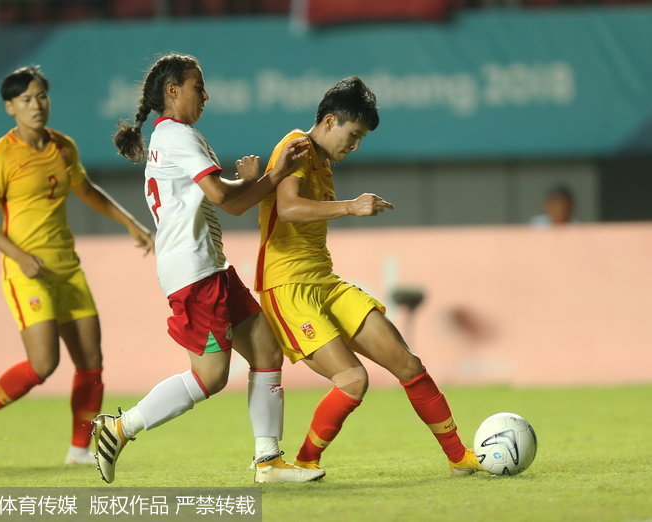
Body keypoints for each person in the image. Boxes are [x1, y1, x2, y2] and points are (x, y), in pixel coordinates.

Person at [91, 53, 323, 484]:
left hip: (211, 267)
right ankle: (120, 427)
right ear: (172, 91)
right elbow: (222, 196)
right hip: (194, 272)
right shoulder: (178, 136)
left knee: (267, 351)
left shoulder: (173, 137)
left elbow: (228, 201)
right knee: (211, 377)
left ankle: (269, 462)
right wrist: (267, 176)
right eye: (198, 86)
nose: (206, 95)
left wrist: (262, 178)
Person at [255, 76, 485, 476]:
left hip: (324, 282)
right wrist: (351, 206)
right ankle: (306, 460)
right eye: (354, 135)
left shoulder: (323, 163)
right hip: (287, 288)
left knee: (408, 363)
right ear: (330, 121)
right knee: (353, 380)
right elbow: (287, 208)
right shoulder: (295, 145)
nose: (356, 145)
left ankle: (458, 458)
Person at [0, 65, 154, 465]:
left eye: (41, 96)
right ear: (10, 107)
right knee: (44, 364)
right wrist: (21, 257)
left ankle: (79, 451)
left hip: (67, 268)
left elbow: (87, 190)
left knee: (92, 363)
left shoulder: (63, 147)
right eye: (26, 99)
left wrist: (130, 223)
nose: (36, 105)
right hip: (26, 271)